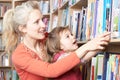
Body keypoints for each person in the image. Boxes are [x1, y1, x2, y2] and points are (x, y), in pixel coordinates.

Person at [2, 1, 110, 80]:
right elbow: (51, 71)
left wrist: (98, 45)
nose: (44, 25)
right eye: (36, 22)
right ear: (23, 28)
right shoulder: (19, 55)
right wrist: (87, 46)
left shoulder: (48, 38)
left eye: (42, 20)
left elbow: (71, 62)